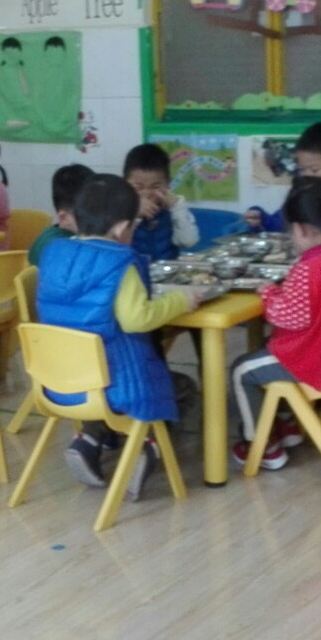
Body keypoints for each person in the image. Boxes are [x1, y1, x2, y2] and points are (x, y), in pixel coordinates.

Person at [36, 174, 200, 501]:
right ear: (123, 227)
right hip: (116, 384)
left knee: (105, 375)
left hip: (58, 382)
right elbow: (138, 319)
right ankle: (145, 447)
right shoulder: (119, 262)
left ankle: (88, 441)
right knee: (179, 387)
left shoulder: (53, 253)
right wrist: (180, 300)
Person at [229, 177, 321, 470]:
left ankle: (260, 445)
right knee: (267, 349)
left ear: (302, 229)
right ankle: (286, 424)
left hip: (315, 357)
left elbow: (288, 317)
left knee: (241, 370)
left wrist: (269, 293)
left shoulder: (312, 267)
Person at [245, 121, 321, 232]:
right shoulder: (299, 199)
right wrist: (260, 218)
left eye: (314, 170)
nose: (307, 176)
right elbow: (277, 225)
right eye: (302, 169)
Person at [123, 143, 199, 261]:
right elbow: (116, 246)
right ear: (125, 184)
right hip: (132, 270)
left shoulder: (175, 206)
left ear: (168, 183)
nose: (147, 193)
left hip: (168, 269)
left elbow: (189, 242)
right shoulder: (120, 208)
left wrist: (176, 209)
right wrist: (134, 214)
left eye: (155, 187)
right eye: (139, 187)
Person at [28, 163, 93, 266]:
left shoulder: (55, 234)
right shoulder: (60, 247)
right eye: (89, 214)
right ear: (64, 217)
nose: (97, 220)